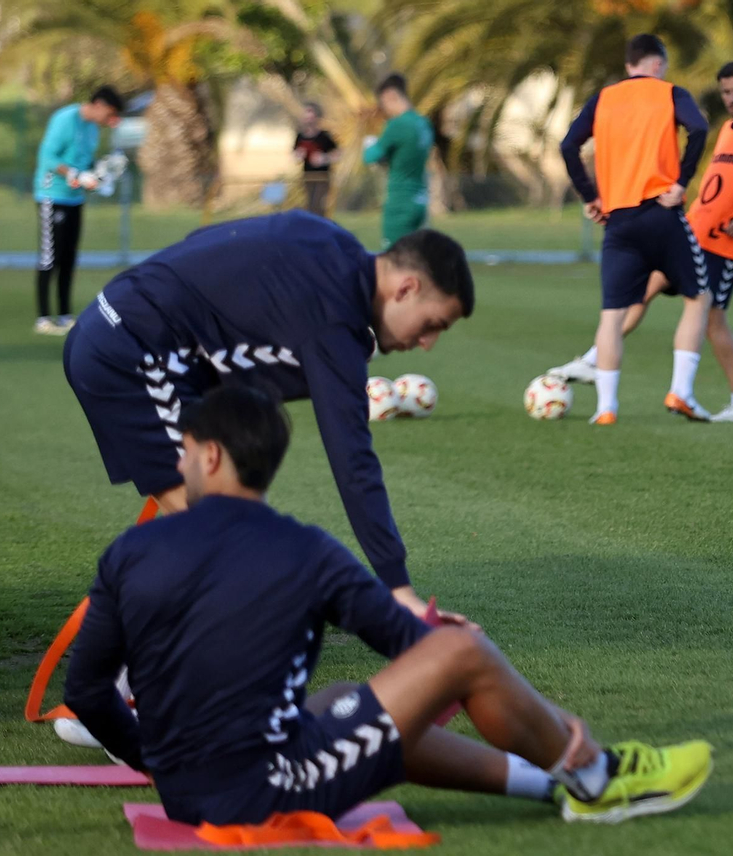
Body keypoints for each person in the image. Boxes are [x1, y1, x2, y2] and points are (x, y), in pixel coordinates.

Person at [64, 385, 713, 826]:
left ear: (210, 455)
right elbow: (414, 647)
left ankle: (552, 786)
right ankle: (595, 778)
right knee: (461, 650)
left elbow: (87, 692)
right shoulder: (306, 551)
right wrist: (449, 649)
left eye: (183, 451)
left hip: (189, 792)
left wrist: (156, 763)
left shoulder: (131, 551)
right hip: (264, 793)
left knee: (340, 702)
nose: (181, 464)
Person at [63, 212, 469, 613]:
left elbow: (208, 241)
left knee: (237, 539)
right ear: (406, 288)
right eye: (432, 324)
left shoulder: (328, 238)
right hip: (130, 352)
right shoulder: (334, 325)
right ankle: (142, 645)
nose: (428, 342)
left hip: (119, 325)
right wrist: (397, 586)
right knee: (230, 547)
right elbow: (353, 461)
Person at [554, 33, 713, 425]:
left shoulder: (603, 99)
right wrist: (682, 182)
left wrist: (590, 196)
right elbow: (698, 129)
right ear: (657, 63)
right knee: (699, 298)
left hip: (619, 221)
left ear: (629, 65)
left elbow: (568, 146)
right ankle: (681, 391)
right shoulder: (670, 93)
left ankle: (606, 408)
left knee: (612, 315)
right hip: (662, 212)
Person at [33, 85, 123, 336]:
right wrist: (74, 174)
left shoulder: (92, 128)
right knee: (50, 258)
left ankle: (64, 315)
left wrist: (100, 175)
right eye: (110, 113)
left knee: (69, 258)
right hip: (52, 196)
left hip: (75, 199)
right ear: (99, 105)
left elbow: (86, 162)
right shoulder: (65, 119)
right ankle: (43, 318)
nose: (110, 120)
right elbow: (48, 158)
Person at [362, 74, 434, 250]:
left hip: (400, 202)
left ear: (390, 96)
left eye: (383, 104)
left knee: (393, 259)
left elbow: (370, 156)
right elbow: (405, 155)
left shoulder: (398, 125)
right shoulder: (423, 124)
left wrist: (369, 144)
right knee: (415, 257)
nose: (385, 110)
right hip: (420, 200)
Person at [293, 102, 340, 217]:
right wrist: (298, 155)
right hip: (308, 176)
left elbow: (338, 154)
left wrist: (324, 158)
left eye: (310, 113)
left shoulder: (324, 136)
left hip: (322, 177)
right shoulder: (300, 136)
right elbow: (295, 155)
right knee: (309, 204)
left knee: (319, 205)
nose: (308, 117)